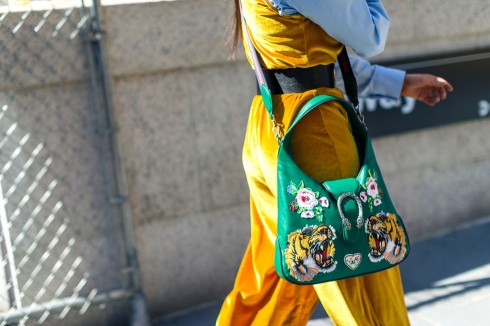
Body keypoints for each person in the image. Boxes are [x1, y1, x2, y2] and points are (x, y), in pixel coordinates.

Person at [217, 0, 453, 325]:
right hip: (314, 130)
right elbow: (370, 37)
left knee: (280, 274)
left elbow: (303, 56)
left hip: (270, 124)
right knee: (363, 271)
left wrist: (399, 84)